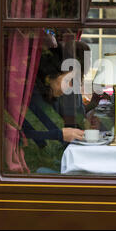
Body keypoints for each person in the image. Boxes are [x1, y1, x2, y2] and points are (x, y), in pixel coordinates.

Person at [22, 44, 84, 174]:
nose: (69, 88)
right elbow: (25, 136)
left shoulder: (50, 98)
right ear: (48, 78)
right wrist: (61, 134)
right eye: (67, 81)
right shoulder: (31, 100)